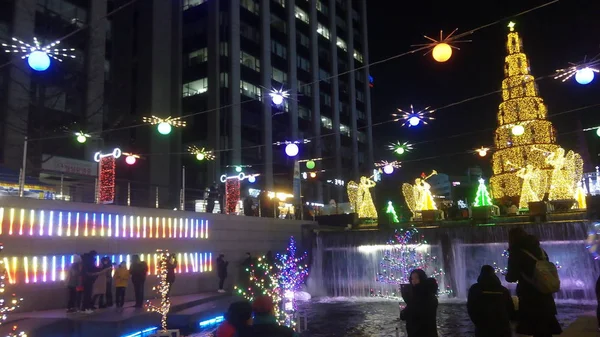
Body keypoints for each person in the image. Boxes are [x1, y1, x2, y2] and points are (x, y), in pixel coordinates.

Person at [505, 227, 562, 337]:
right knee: (546, 330)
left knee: (536, 329)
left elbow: (512, 277)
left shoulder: (516, 252)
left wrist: (507, 276)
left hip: (530, 296)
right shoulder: (541, 250)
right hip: (545, 293)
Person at [467, 265, 515, 337]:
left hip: (483, 327)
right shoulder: (503, 290)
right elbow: (510, 308)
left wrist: (478, 322)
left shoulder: (475, 289)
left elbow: (471, 308)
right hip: (502, 327)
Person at [400, 269, 438, 337]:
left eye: (416, 278)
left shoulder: (425, 296)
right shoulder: (421, 294)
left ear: (422, 278)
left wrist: (407, 300)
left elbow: (408, 314)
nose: (413, 281)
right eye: (412, 278)